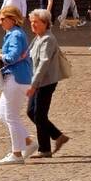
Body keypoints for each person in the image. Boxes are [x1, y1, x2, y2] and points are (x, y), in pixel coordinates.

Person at [25, 9, 69, 158]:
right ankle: (57, 136)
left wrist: (33, 84)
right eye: (31, 22)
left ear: (45, 23)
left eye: (36, 22)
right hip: (38, 80)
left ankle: (45, 149)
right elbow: (27, 55)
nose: (33, 25)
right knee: (32, 112)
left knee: (39, 114)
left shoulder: (48, 39)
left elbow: (43, 63)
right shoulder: (38, 37)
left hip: (46, 82)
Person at [0, 6, 33, 165]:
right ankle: (28, 142)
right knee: (2, 113)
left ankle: (16, 154)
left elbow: (12, 56)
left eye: (3, 19)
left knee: (11, 116)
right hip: (15, 78)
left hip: (17, 78)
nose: (0, 22)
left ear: (12, 19)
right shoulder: (12, 34)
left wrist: (0, 56)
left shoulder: (16, 34)